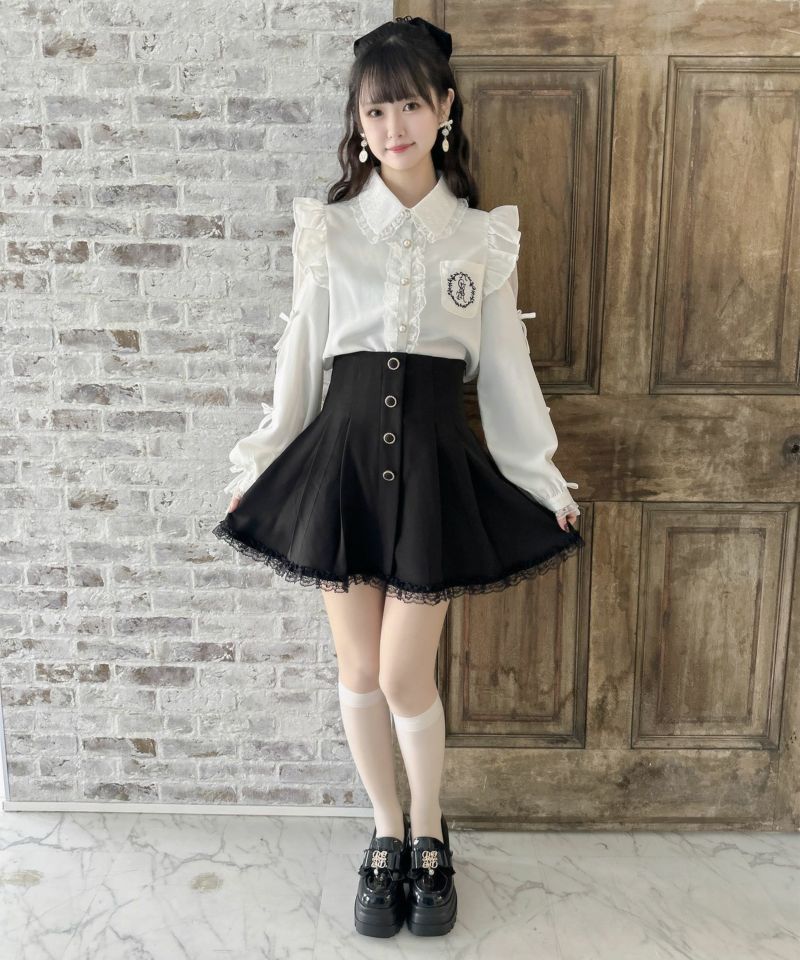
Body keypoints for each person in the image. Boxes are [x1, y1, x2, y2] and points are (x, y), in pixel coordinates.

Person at [211, 15, 586, 939]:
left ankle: (430, 831)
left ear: (444, 108)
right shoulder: (332, 231)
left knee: (405, 672)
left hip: (431, 470)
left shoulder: (479, 239)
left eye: (409, 105)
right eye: (375, 111)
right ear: (359, 122)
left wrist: (542, 481)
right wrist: (259, 462)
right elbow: (299, 361)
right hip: (339, 465)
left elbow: (505, 374)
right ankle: (385, 830)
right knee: (359, 668)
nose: (393, 127)